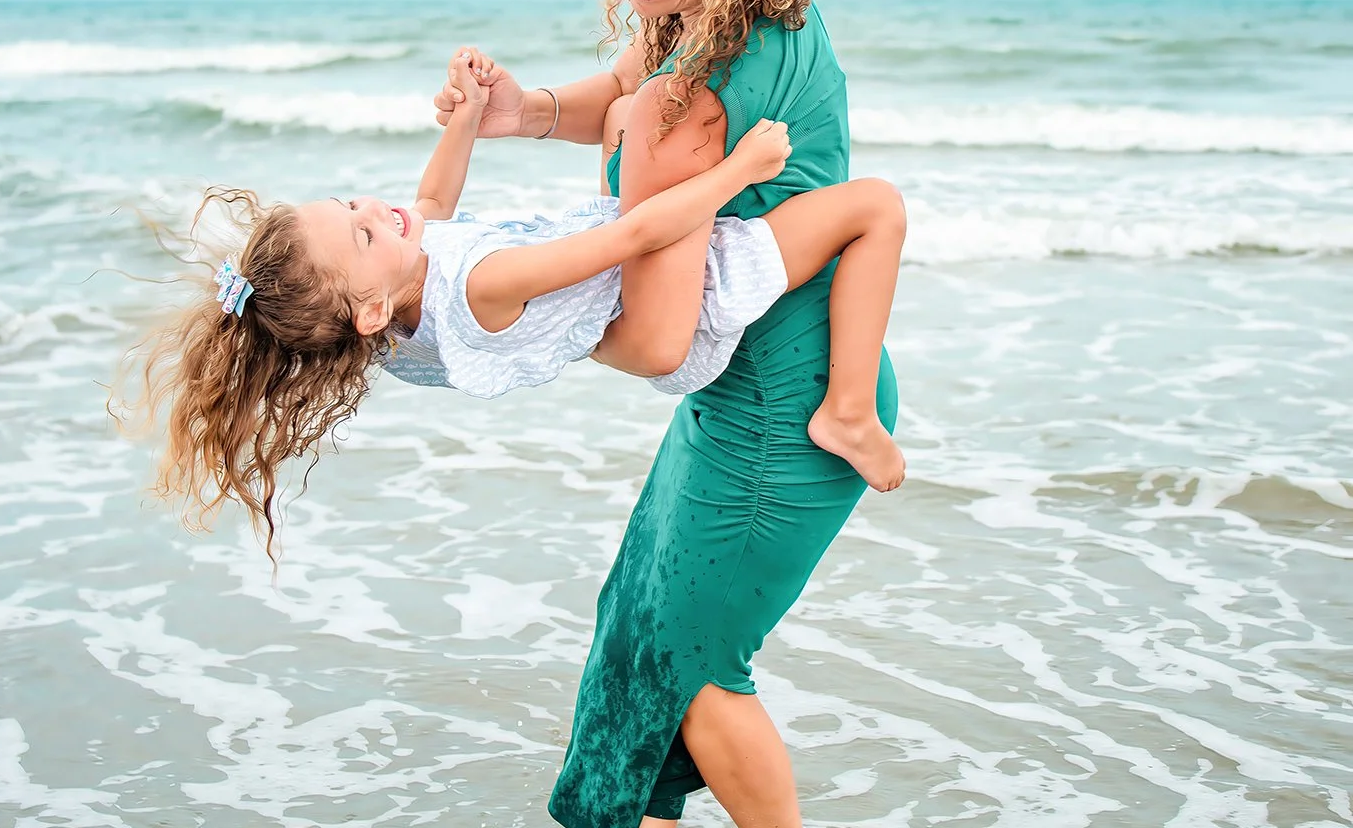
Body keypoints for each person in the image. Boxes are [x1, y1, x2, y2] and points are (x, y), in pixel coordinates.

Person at [431, 0, 904, 828]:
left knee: (692, 660)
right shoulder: (724, 15)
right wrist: (525, 111)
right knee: (642, 623)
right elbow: (627, 88)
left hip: (786, 409)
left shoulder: (707, 89)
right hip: (748, 387)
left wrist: (514, 325)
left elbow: (651, 331)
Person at [129, 54, 905, 554]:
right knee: (875, 207)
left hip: (613, 295)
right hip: (679, 301)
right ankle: (846, 411)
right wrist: (741, 169)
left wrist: (470, 116)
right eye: (361, 233)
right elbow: (637, 234)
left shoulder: (382, 321)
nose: (374, 209)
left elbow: (431, 203)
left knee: (622, 113)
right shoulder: (481, 284)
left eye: (348, 203)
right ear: (366, 310)